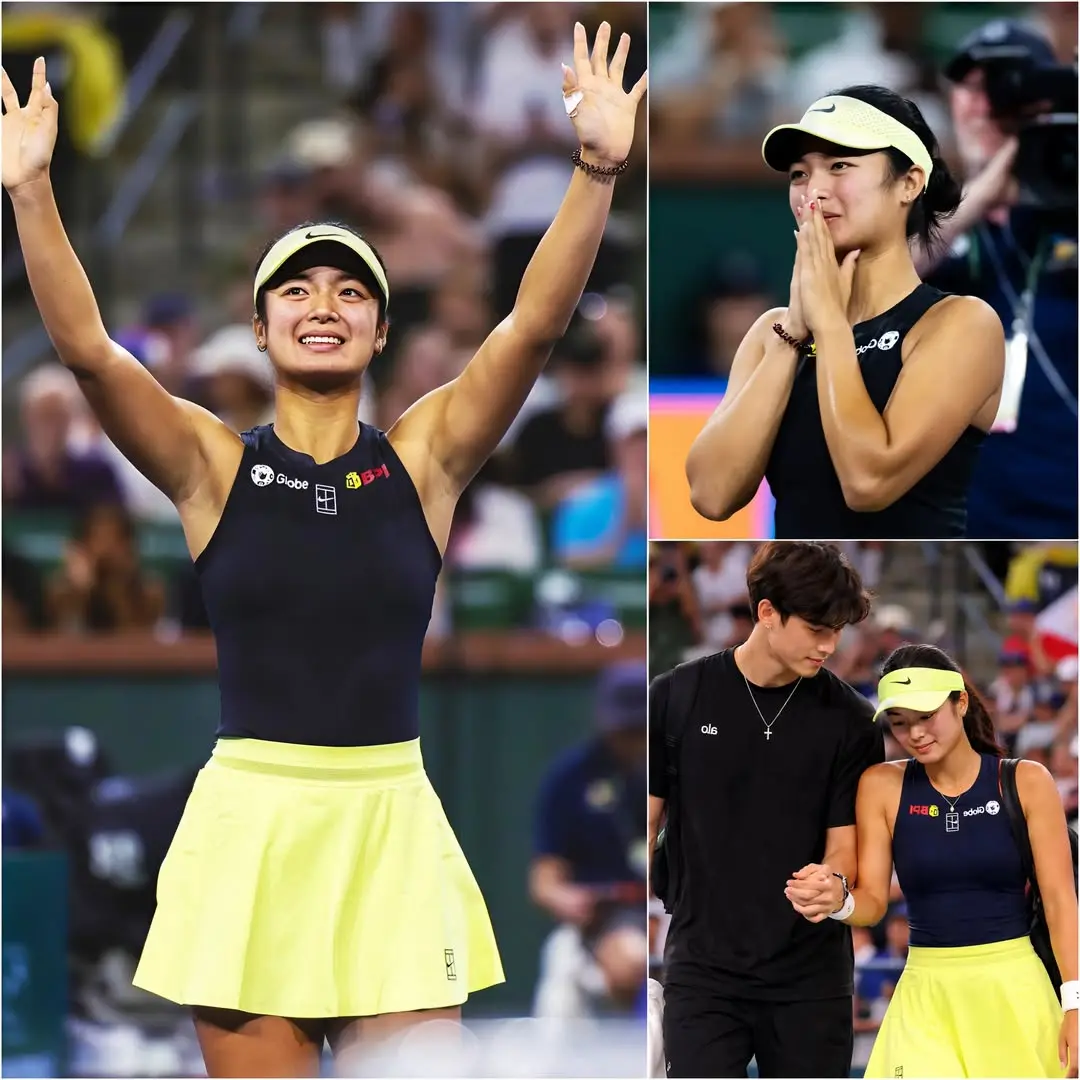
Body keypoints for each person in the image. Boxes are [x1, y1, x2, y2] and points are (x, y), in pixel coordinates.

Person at [2, 29, 646, 1077]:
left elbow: (531, 328)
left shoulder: (425, 460)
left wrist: (597, 170)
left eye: (351, 291)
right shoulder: (212, 466)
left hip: (391, 821)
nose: (324, 306)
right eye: (296, 291)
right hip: (251, 826)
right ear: (260, 330)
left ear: (381, 331)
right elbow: (88, 350)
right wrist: (32, 192)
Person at [685, 84, 1004, 539]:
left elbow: (869, 483)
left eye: (839, 165)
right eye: (799, 174)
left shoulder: (961, 323)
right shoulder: (772, 331)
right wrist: (794, 332)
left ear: (909, 182)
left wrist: (830, 324)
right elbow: (712, 496)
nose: (813, 191)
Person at [785, 643, 1078, 1078]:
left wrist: (1074, 1004)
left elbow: (1059, 901)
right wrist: (839, 901)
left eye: (926, 716)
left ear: (960, 702)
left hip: (1014, 988)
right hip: (924, 993)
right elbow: (872, 902)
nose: (915, 734)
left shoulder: (1027, 781)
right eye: (900, 722)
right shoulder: (881, 785)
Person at [648, 542, 884, 1078]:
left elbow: (843, 846)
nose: (829, 645)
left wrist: (831, 883)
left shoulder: (852, 720)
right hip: (703, 973)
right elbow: (646, 822)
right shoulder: (676, 696)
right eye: (816, 629)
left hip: (811, 980)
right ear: (767, 612)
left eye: (837, 630)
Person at [920, 20, 1077, 539]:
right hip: (972, 517)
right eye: (968, 86)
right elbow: (873, 280)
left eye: (1004, 86)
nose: (983, 105)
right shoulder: (928, 219)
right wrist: (984, 192)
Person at [530, 662, 648, 1016]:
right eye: (624, 729)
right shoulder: (569, 780)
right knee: (568, 982)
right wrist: (570, 900)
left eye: (640, 729)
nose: (632, 740)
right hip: (595, 928)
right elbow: (544, 882)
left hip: (664, 919)